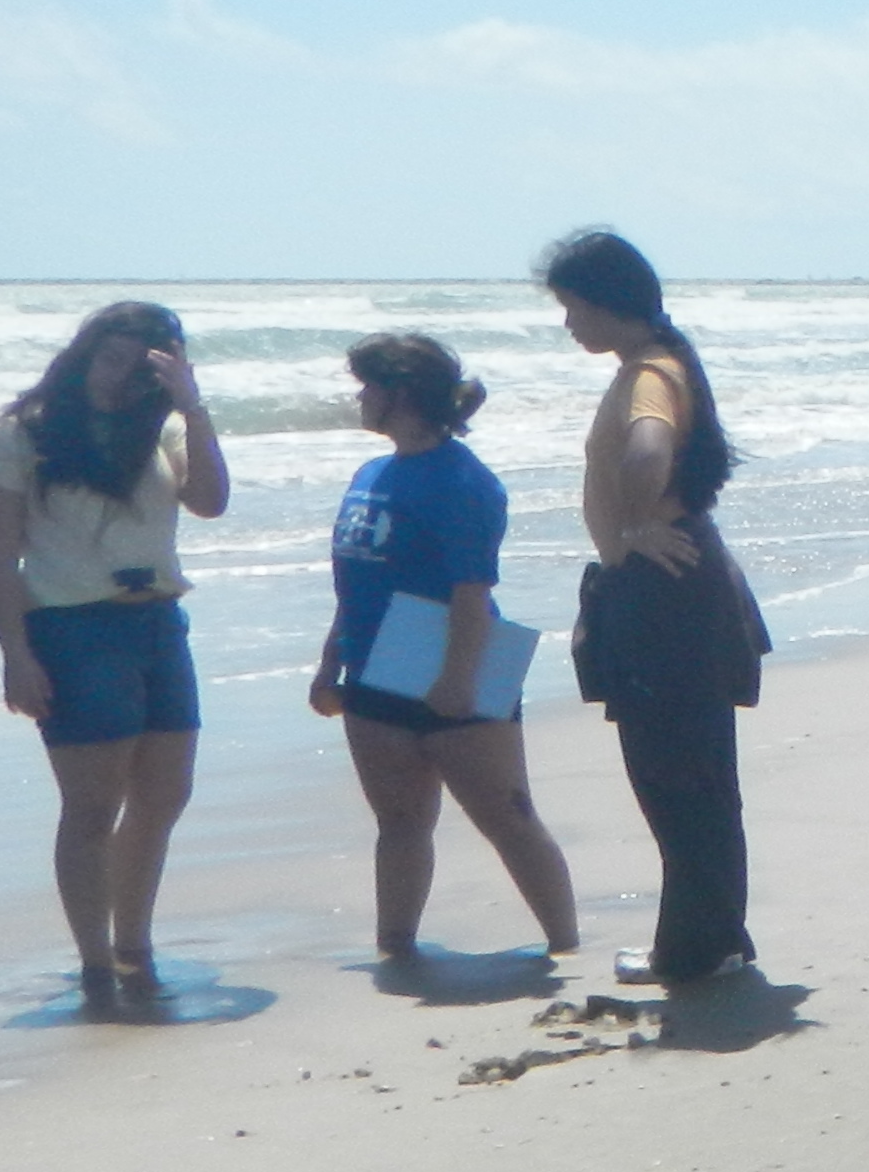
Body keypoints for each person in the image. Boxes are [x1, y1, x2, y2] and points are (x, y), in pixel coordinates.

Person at [310, 332, 579, 970]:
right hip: (376, 665)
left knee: (507, 815)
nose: (359, 397)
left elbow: (470, 590)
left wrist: (457, 682)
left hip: (462, 661)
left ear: (399, 393)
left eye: (368, 386)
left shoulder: (465, 482)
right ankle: (396, 946)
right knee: (400, 822)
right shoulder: (371, 473)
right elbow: (355, 580)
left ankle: (567, 946)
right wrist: (329, 664)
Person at [543, 230, 770, 984]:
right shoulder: (665, 362)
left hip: (665, 591)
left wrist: (637, 525)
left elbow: (647, 451)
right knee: (697, 777)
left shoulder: (649, 374)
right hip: (683, 584)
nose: (568, 323)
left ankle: (696, 952)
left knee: (675, 778)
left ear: (610, 302)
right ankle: (715, 940)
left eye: (573, 307)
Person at [0, 298, 231, 1005]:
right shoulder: (23, 433)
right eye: (111, 359)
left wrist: (193, 407)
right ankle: (96, 961)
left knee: (164, 794)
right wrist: (15, 654)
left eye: (140, 367)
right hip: (71, 627)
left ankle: (135, 944)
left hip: (157, 622)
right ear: (85, 354)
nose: (120, 378)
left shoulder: (161, 430)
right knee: (92, 806)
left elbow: (212, 502)